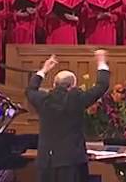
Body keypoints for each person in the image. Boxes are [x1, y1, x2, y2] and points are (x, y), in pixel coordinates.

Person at [25, 49, 111, 182]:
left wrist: (44, 69)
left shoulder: (44, 100)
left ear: (54, 85)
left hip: (47, 162)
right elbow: (102, 85)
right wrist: (101, 61)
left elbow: (30, 90)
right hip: (71, 163)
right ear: (72, 86)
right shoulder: (77, 99)